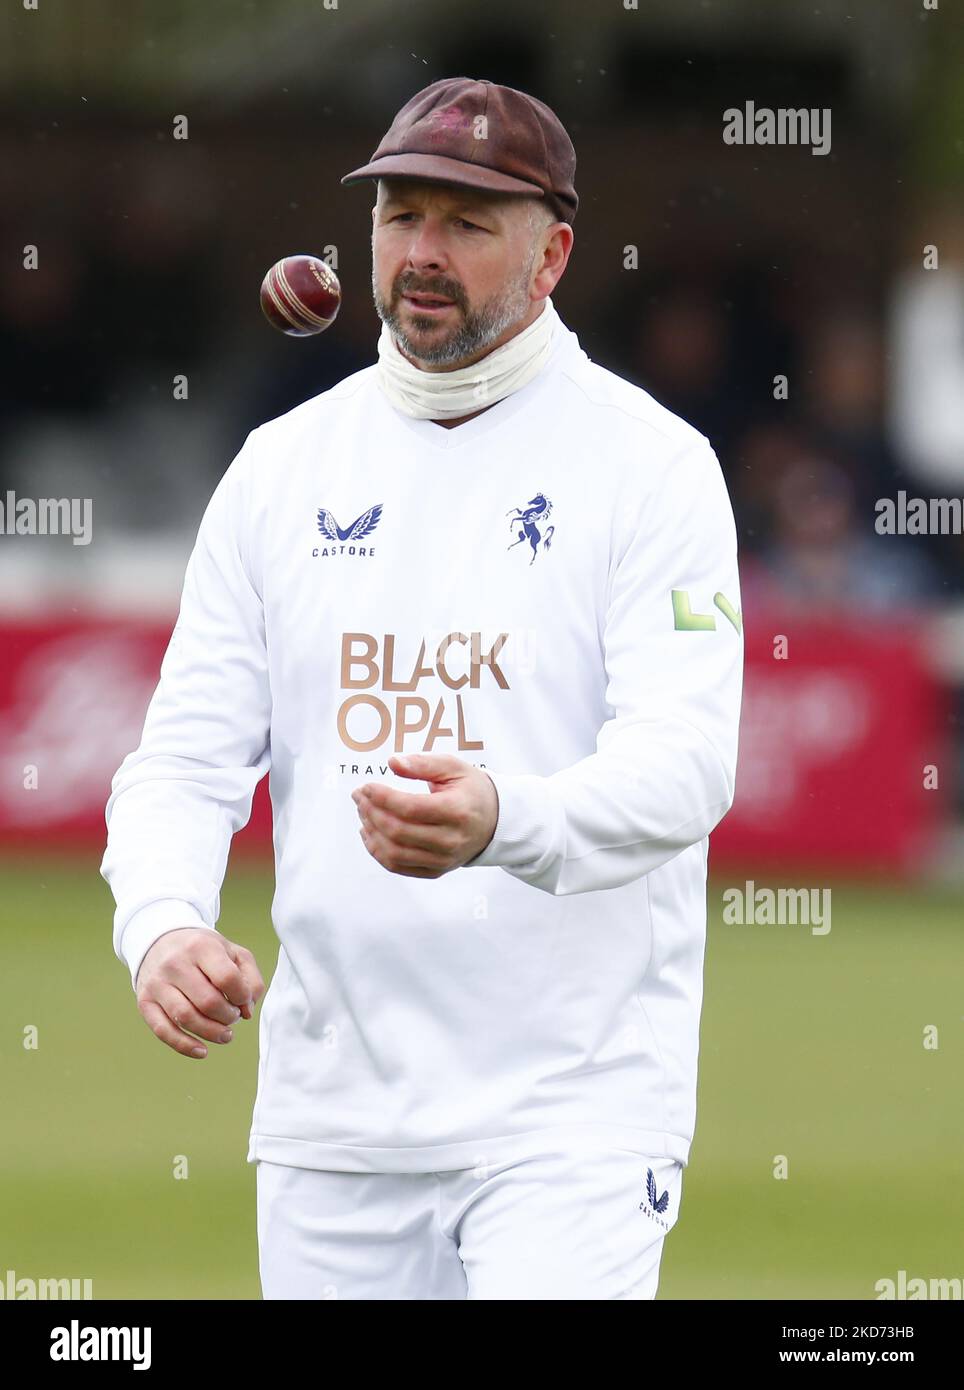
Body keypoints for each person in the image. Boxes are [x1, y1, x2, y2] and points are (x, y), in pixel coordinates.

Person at [100, 76, 744, 1301]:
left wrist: (507, 819)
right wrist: (165, 922)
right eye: (401, 216)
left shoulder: (653, 466)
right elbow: (184, 758)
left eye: (465, 222)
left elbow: (687, 761)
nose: (421, 253)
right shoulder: (281, 469)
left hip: (573, 1111)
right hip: (331, 1118)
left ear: (551, 253)